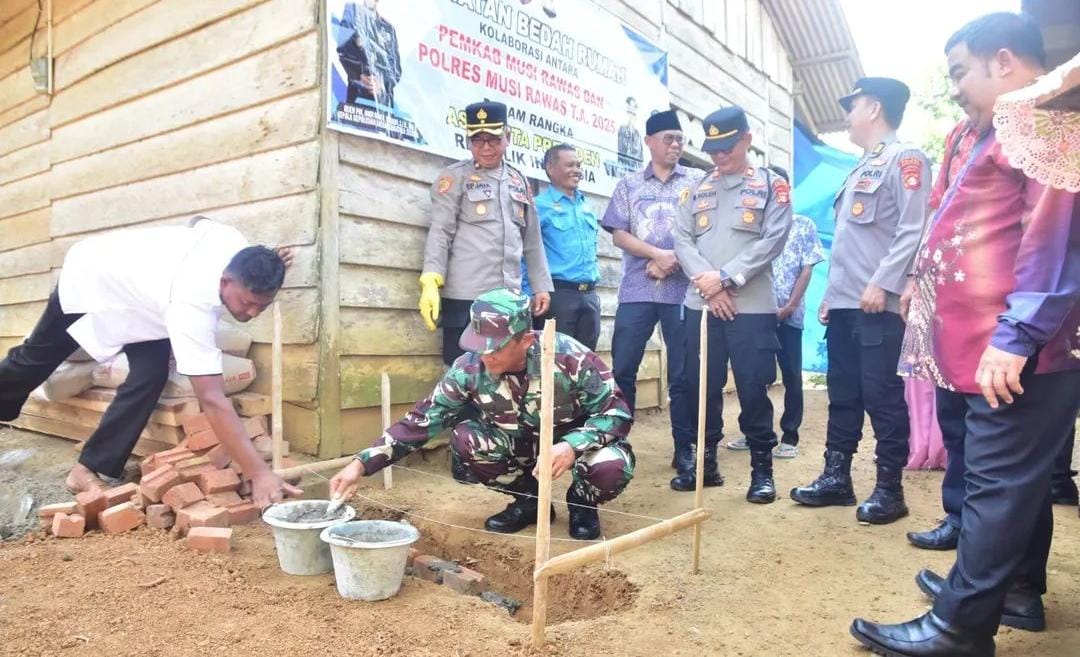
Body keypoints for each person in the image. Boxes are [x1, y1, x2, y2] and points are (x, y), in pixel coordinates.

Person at [851, 13, 1080, 656]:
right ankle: (1012, 592)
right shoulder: (999, 128)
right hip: (992, 343)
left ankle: (960, 627)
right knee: (1012, 479)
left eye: (958, 72)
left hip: (1018, 347)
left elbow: (1053, 240)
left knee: (996, 482)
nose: (951, 87)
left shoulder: (1047, 120)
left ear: (1002, 61)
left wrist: (1017, 333)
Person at [0, 218, 301, 508]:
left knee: (150, 376)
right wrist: (259, 473)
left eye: (261, 306)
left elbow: (199, 221)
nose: (250, 313)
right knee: (33, 360)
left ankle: (87, 469)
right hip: (92, 281)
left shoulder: (233, 244)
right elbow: (211, 398)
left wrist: (270, 261)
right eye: (246, 302)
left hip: (147, 303)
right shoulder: (191, 305)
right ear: (224, 281)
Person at [329, 288, 634, 540]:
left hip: (575, 444)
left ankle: (582, 502)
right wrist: (360, 464)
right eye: (480, 346)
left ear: (525, 340)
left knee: (612, 466)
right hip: (521, 446)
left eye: (495, 348)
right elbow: (421, 421)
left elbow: (617, 412)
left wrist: (572, 446)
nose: (485, 355)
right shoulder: (469, 369)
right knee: (466, 442)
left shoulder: (569, 357)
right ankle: (528, 502)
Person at [790, 77, 931, 525]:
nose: (847, 115)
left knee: (882, 395)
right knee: (843, 392)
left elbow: (914, 228)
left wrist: (884, 283)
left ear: (873, 108)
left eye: (852, 106)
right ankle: (837, 477)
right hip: (848, 304)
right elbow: (849, 243)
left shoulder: (906, 158)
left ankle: (890, 488)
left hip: (879, 305)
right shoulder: (858, 168)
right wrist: (832, 296)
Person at [671, 106, 793, 502]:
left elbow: (772, 240)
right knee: (698, 387)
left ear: (746, 139)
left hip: (751, 307)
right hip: (701, 305)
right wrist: (711, 287)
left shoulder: (772, 187)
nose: (719, 156)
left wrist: (724, 279)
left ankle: (762, 470)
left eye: (727, 146)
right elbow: (682, 240)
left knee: (752, 387)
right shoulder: (696, 189)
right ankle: (705, 465)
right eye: (713, 149)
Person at [602, 109, 704, 464]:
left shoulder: (697, 180)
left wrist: (673, 259)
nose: (675, 144)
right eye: (668, 138)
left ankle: (684, 448)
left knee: (683, 371)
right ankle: (616, 447)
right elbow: (618, 233)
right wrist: (656, 254)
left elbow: (705, 229)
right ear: (649, 142)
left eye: (680, 139)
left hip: (682, 291)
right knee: (624, 368)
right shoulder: (629, 185)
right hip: (637, 289)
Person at [418, 101, 552, 367]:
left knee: (507, 366)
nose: (486, 147)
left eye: (493, 139)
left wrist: (541, 286)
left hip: (508, 297)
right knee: (462, 370)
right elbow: (440, 232)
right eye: (477, 140)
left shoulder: (519, 181)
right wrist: (431, 280)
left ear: (508, 138)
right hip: (466, 295)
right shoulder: (454, 178)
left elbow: (532, 241)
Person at [726, 165, 824, 459]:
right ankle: (753, 431)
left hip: (788, 315)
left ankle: (790, 436)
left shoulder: (802, 224)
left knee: (792, 375)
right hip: (755, 314)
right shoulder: (749, 224)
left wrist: (790, 306)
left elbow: (807, 268)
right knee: (753, 375)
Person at [526, 143, 602, 350]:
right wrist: (531, 292)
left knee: (586, 364)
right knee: (554, 364)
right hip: (557, 297)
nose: (577, 170)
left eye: (578, 165)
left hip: (589, 296)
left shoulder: (585, 206)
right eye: (570, 165)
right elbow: (527, 254)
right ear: (551, 168)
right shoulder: (538, 206)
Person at [337, 0, 401, 107]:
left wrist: (381, 85)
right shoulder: (352, 13)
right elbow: (342, 50)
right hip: (358, 98)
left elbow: (396, 69)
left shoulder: (388, 28)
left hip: (383, 104)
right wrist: (359, 76)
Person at [617, 97, 644, 170]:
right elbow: (621, 152)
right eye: (630, 113)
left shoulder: (637, 134)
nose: (632, 116)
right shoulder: (622, 130)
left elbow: (640, 157)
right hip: (625, 169)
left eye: (634, 114)